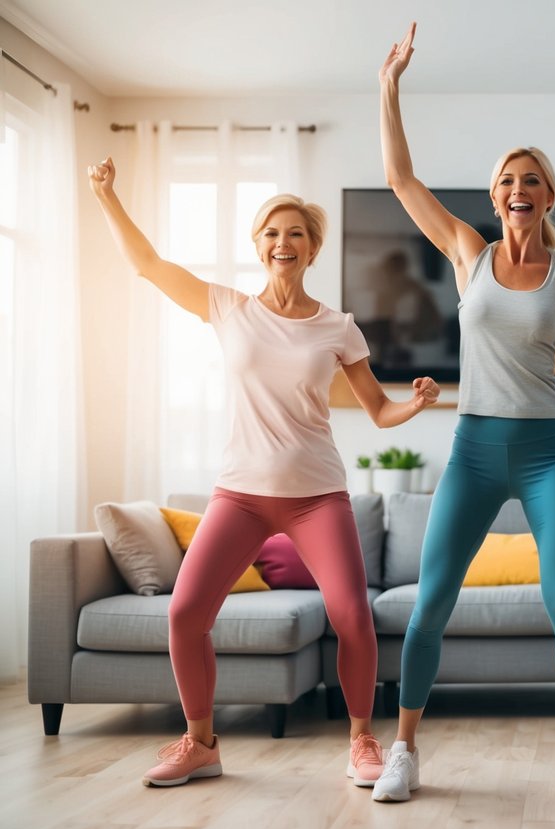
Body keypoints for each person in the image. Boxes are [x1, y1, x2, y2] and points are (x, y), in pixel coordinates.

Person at [87, 158, 441, 788]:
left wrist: (414, 402)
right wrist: (107, 194)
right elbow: (147, 264)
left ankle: (362, 739)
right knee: (186, 612)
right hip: (240, 494)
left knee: (353, 616)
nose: (284, 243)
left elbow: (379, 410)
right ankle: (200, 743)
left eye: (296, 234)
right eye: (272, 233)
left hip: (317, 496)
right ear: (258, 245)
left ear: (312, 248)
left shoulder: (339, 326)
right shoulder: (228, 308)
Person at [373, 22, 555, 804]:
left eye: (531, 180)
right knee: (431, 601)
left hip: (543, 454)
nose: (518, 189)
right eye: (507, 180)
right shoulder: (467, 252)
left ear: (548, 197)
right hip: (472, 450)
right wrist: (389, 85)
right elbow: (401, 181)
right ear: (496, 196)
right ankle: (403, 751)